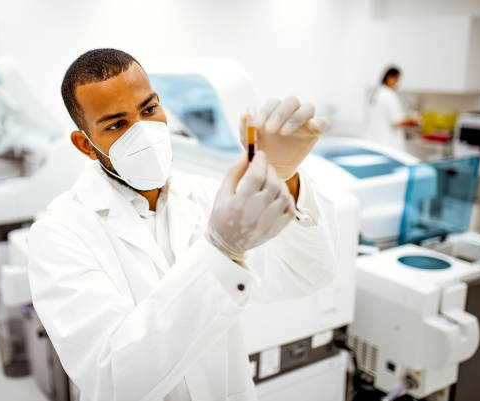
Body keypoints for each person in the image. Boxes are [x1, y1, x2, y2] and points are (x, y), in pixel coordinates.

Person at [28, 49, 339, 401]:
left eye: (149, 110)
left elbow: (308, 275)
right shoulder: (59, 234)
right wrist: (220, 252)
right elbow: (115, 379)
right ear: (85, 145)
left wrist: (286, 176)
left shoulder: (207, 197)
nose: (144, 133)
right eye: (117, 124)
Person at [365, 66, 418, 151]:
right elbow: (396, 122)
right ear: (390, 78)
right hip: (388, 144)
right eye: (397, 80)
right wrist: (411, 119)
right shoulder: (390, 95)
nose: (397, 84)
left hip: (374, 141)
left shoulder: (375, 93)